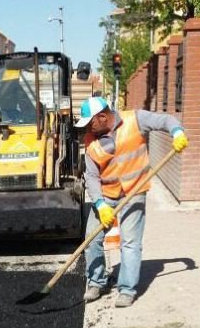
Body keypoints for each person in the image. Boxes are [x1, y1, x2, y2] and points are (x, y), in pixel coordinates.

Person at [76, 97, 188, 308]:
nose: (88, 129)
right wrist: (99, 203)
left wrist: (177, 131)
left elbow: (165, 121)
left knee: (129, 243)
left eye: (90, 123)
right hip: (107, 195)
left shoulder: (135, 120)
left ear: (102, 117)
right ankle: (96, 283)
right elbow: (91, 176)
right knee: (92, 238)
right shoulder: (90, 140)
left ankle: (127, 290)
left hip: (134, 192)